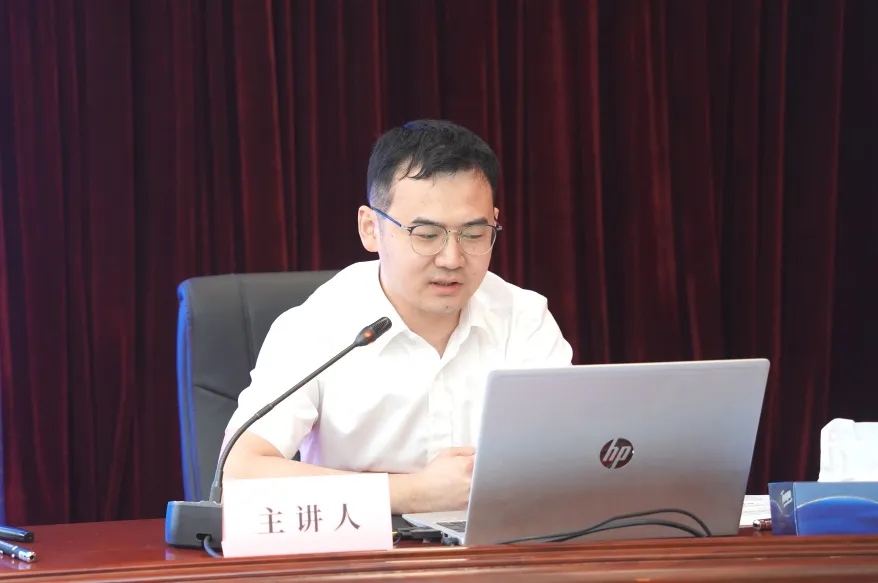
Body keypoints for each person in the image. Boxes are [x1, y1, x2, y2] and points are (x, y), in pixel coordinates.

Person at [223, 119, 573, 514]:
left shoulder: (522, 318)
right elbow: (239, 474)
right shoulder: (316, 328)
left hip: (495, 546)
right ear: (371, 228)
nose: (452, 259)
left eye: (474, 234)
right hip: (362, 548)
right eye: (427, 234)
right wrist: (414, 492)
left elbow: (572, 460)